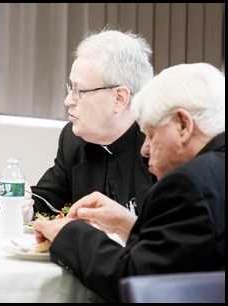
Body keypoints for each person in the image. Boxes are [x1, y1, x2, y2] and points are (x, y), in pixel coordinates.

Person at [33, 62, 225, 302]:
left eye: (152, 135)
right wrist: (130, 225)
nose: (144, 149)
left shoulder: (189, 183)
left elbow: (137, 283)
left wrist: (70, 234)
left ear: (183, 125)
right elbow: (185, 258)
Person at [23, 28, 157, 221]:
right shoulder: (74, 138)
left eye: (79, 91)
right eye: (71, 88)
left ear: (119, 98)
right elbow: (48, 199)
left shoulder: (159, 146)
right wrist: (26, 209)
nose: (68, 100)